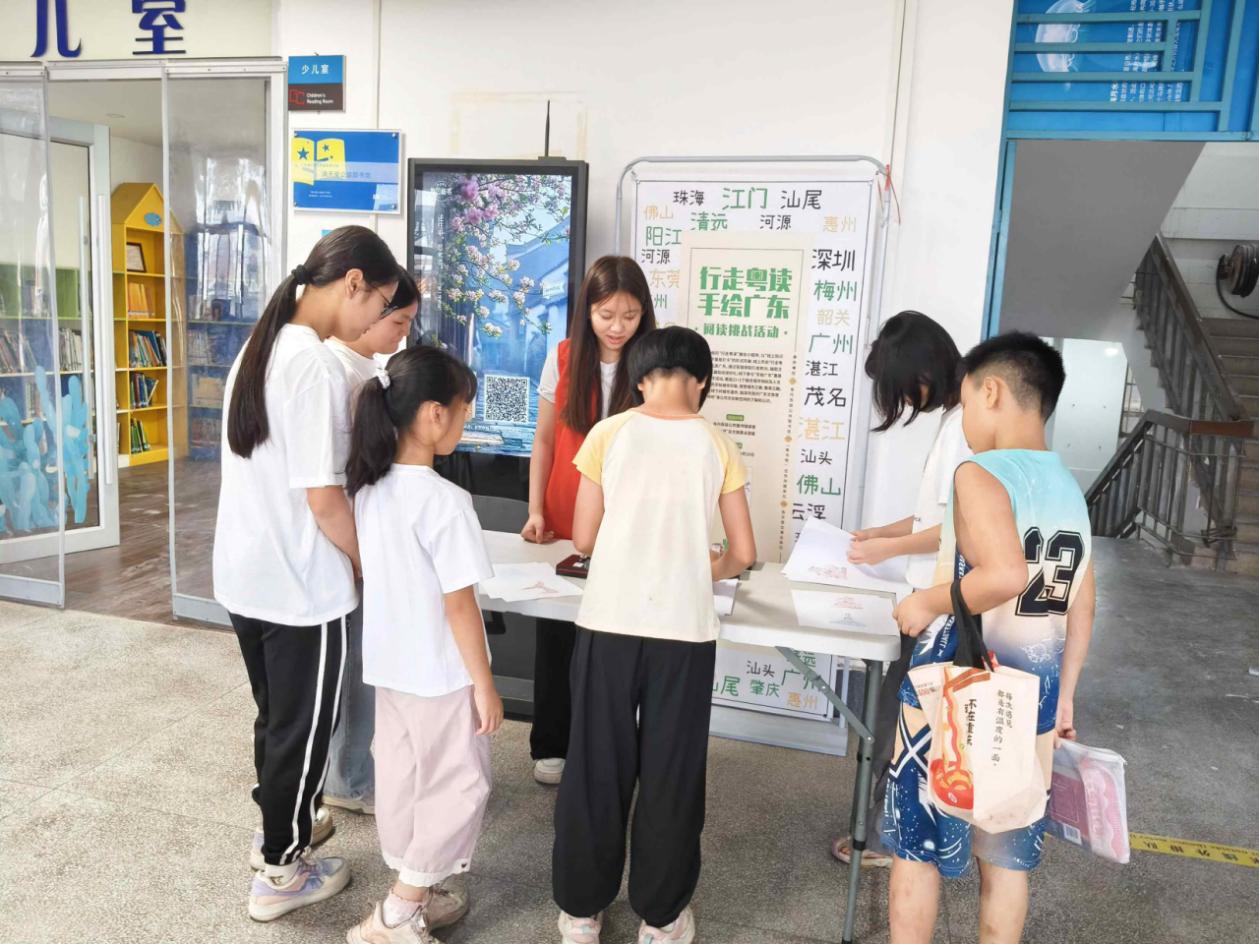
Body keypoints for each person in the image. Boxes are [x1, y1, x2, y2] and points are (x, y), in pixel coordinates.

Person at [883, 333, 1096, 944]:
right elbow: (1083, 604)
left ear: (993, 391)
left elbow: (1004, 575)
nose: (967, 420)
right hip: (1034, 697)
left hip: (951, 687)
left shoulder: (979, 473)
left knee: (917, 847)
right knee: (1006, 858)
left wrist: (924, 602)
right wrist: (1066, 697)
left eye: (969, 400)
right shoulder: (1067, 487)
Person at [213, 225, 399, 921]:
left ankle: (276, 836)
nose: (376, 319)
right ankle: (282, 873)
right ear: (353, 283)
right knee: (303, 730)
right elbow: (324, 499)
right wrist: (369, 566)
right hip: (300, 584)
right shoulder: (314, 365)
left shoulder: (259, 349)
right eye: (379, 302)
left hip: (246, 573)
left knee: (277, 721)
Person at [552, 326, 756, 944]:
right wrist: (701, 564)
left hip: (608, 623)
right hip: (683, 632)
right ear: (701, 382)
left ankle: (582, 912)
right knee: (672, 772)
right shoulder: (717, 442)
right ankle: (662, 918)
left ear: (640, 380)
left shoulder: (608, 433)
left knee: (595, 765)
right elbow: (743, 553)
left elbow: (583, 539)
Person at [344, 344, 503, 944]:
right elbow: (459, 604)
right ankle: (398, 910)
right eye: (465, 409)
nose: (465, 421)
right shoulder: (445, 502)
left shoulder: (369, 490)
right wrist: (485, 685)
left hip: (391, 664)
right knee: (459, 783)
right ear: (435, 414)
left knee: (406, 775)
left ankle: (417, 889)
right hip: (441, 671)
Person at [831, 311, 971, 869]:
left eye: (902, 390)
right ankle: (883, 832)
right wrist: (879, 535)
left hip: (937, 606)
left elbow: (959, 528)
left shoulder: (962, 427)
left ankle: (888, 839)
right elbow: (929, 517)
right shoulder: (956, 419)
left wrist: (886, 549)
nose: (906, 403)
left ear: (922, 372)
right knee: (897, 719)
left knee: (903, 726)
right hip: (928, 601)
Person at [520, 256, 657, 786]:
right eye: (606, 315)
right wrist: (535, 508)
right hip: (563, 513)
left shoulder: (653, 361)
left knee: (615, 637)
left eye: (629, 315)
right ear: (587, 312)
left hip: (627, 518)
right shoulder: (563, 357)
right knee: (556, 634)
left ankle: (603, 746)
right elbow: (544, 440)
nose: (618, 327)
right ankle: (552, 744)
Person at [322, 265, 420, 816]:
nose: (403, 334)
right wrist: (364, 557)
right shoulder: (339, 371)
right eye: (397, 321)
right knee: (355, 666)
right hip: (349, 543)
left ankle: (350, 769)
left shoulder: (367, 369)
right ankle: (348, 777)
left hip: (360, 537)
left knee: (362, 661)